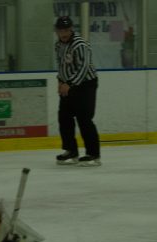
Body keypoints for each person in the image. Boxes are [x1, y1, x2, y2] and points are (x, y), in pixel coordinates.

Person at [54, 16, 101, 167]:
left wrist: (70, 83)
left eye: (67, 30)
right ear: (57, 31)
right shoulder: (58, 45)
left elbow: (84, 67)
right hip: (68, 84)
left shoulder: (80, 44)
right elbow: (61, 65)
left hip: (86, 85)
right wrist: (60, 81)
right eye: (61, 30)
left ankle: (93, 154)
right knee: (64, 117)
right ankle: (71, 151)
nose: (64, 33)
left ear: (71, 29)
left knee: (84, 119)